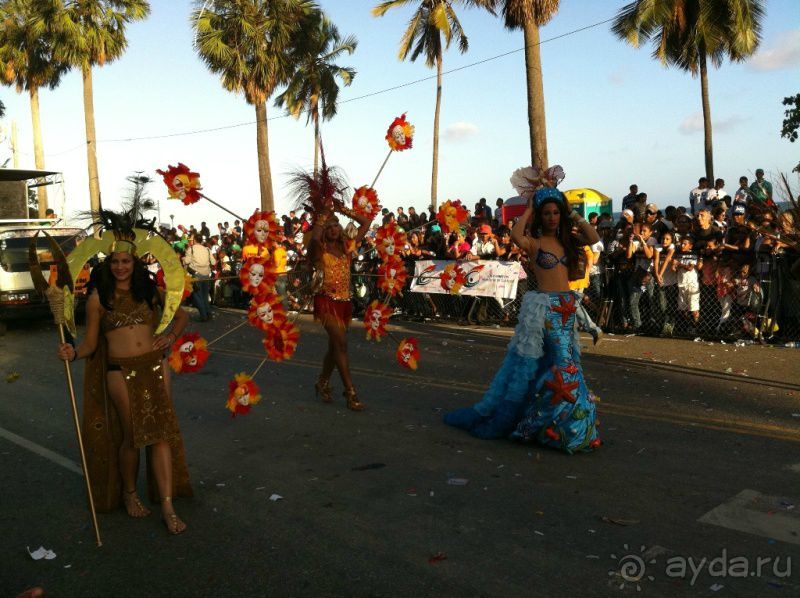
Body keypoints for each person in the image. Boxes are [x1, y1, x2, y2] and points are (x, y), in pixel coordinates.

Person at [56, 202, 192, 535]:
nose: (120, 267)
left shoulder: (148, 291)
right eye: (115, 261)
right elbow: (89, 345)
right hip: (119, 370)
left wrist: (170, 337)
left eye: (126, 261)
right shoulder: (98, 299)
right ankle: (130, 493)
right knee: (132, 434)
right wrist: (72, 353)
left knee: (160, 434)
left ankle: (168, 505)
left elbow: (181, 313)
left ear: (135, 262)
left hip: (156, 367)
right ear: (109, 263)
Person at [444, 181, 602, 452]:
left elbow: (594, 238)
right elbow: (517, 235)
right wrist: (529, 209)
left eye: (555, 213)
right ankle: (560, 427)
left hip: (566, 306)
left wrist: (571, 210)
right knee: (563, 365)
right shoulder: (536, 243)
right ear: (541, 217)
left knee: (564, 362)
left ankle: (553, 426)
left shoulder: (568, 240)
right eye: (547, 213)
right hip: (545, 309)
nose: (552, 217)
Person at [294, 164, 372, 411]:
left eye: (336, 225)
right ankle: (350, 391)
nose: (333, 228)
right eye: (330, 227)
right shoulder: (320, 250)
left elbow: (366, 223)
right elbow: (314, 238)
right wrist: (322, 214)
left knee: (334, 346)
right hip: (325, 300)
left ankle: (322, 382)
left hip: (344, 302)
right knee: (341, 344)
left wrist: (340, 208)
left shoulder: (348, 248)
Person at [183, 233, 214, 321]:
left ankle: (203, 316)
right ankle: (208, 313)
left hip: (196, 274)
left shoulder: (191, 249)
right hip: (206, 274)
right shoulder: (207, 249)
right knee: (205, 295)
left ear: (195, 240)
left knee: (197, 296)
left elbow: (187, 261)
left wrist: (183, 259)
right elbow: (213, 262)